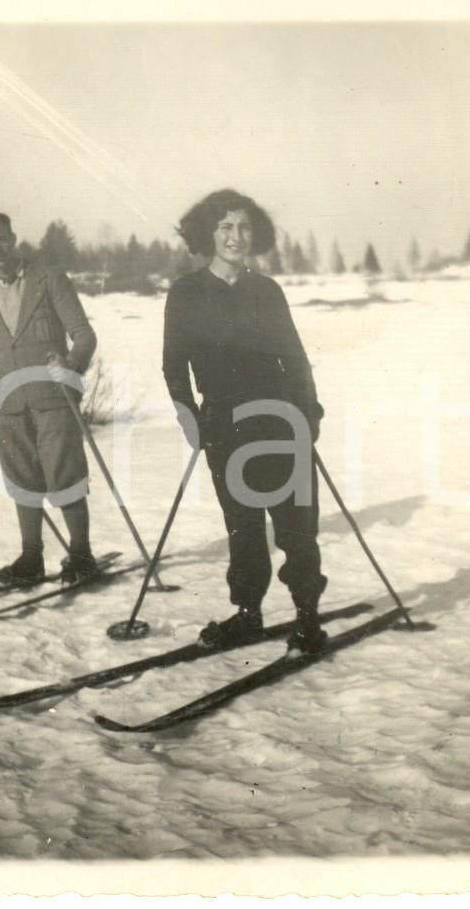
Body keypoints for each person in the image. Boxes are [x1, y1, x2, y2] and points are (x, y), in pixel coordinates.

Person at [163, 189, 328, 653]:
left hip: (280, 420)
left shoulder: (267, 291)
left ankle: (307, 617)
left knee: (298, 524)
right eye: (225, 227)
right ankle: (248, 613)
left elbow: (296, 362)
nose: (237, 237)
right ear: (207, 233)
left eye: (244, 227)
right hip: (224, 424)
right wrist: (187, 417)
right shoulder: (186, 293)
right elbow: (174, 366)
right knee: (243, 526)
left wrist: (309, 415)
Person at [0, 207, 99, 585]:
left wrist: (72, 361)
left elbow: (84, 334)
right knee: (22, 481)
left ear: (13, 237)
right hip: (8, 405)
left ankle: (82, 556)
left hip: (54, 400)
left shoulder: (49, 279)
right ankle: (31, 558)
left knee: (66, 477)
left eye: (2, 238)